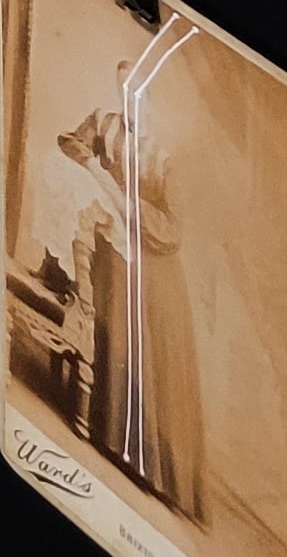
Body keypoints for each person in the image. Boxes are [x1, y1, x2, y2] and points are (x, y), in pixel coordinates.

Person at [60, 67, 206, 518]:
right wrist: (91, 166)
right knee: (110, 328)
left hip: (154, 266)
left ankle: (148, 466)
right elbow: (70, 140)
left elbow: (175, 229)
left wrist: (128, 205)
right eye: (124, 91)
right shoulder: (104, 122)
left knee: (145, 350)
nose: (130, 101)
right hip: (112, 249)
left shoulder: (164, 159)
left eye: (139, 93)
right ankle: (106, 431)